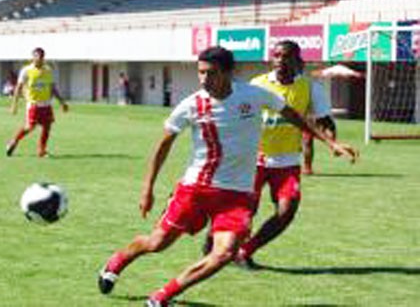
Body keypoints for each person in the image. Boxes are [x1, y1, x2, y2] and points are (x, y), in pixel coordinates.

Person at [97, 46, 357, 307]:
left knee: (224, 254)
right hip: (196, 189)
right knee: (157, 243)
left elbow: (293, 116)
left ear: (228, 73)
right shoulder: (192, 104)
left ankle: (162, 296)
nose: (203, 79)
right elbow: (163, 145)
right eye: (200, 73)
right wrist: (147, 188)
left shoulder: (254, 95)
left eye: (210, 73)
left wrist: (330, 143)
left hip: (237, 195)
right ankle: (116, 262)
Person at [204, 40, 341, 268]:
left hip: (287, 161)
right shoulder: (257, 84)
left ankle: (245, 252)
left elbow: (325, 120)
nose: (280, 60)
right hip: (253, 158)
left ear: (298, 60)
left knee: (287, 210)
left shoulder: (310, 87)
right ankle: (213, 241)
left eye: (285, 56)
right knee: (244, 211)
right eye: (276, 55)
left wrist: (333, 143)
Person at [6, 47, 68, 157]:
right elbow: (18, 88)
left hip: (46, 104)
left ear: (43, 58)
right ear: (33, 57)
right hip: (33, 105)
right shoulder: (26, 70)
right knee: (29, 127)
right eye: (36, 56)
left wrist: (62, 102)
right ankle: (14, 141)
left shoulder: (48, 70)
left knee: (47, 126)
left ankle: (42, 150)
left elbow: (52, 88)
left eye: (41, 56)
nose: (39, 58)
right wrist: (14, 105)